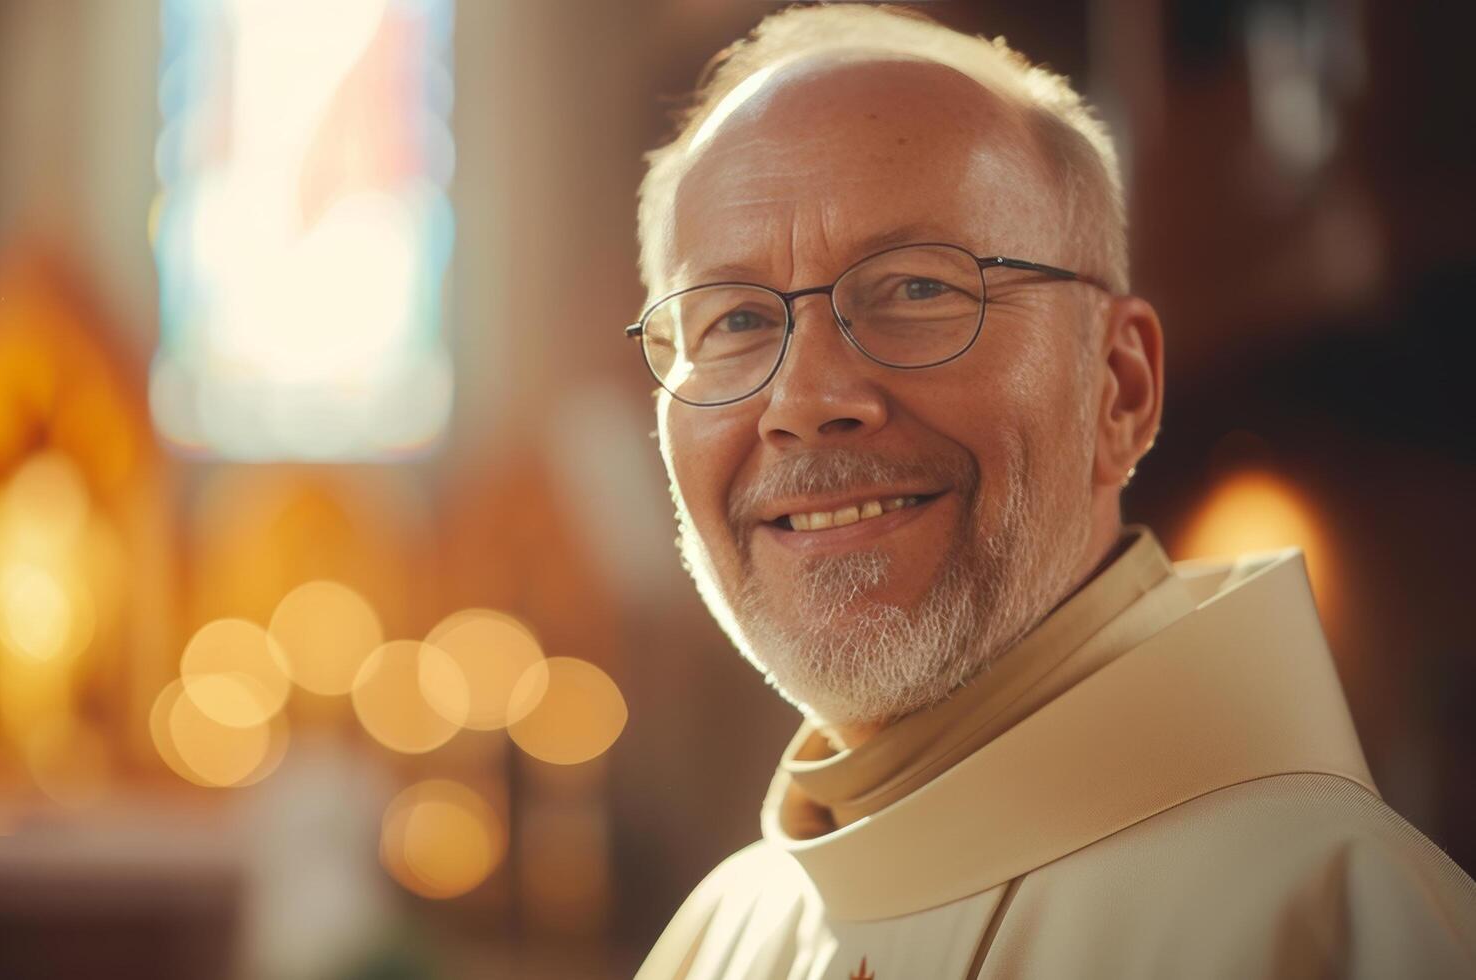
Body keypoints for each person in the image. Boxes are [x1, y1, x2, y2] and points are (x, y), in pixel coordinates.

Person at [627, 6, 1476, 978]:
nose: (806, 400)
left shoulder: (1338, 921)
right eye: (732, 316)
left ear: (1120, 387)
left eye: (915, 288)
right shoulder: (715, 938)